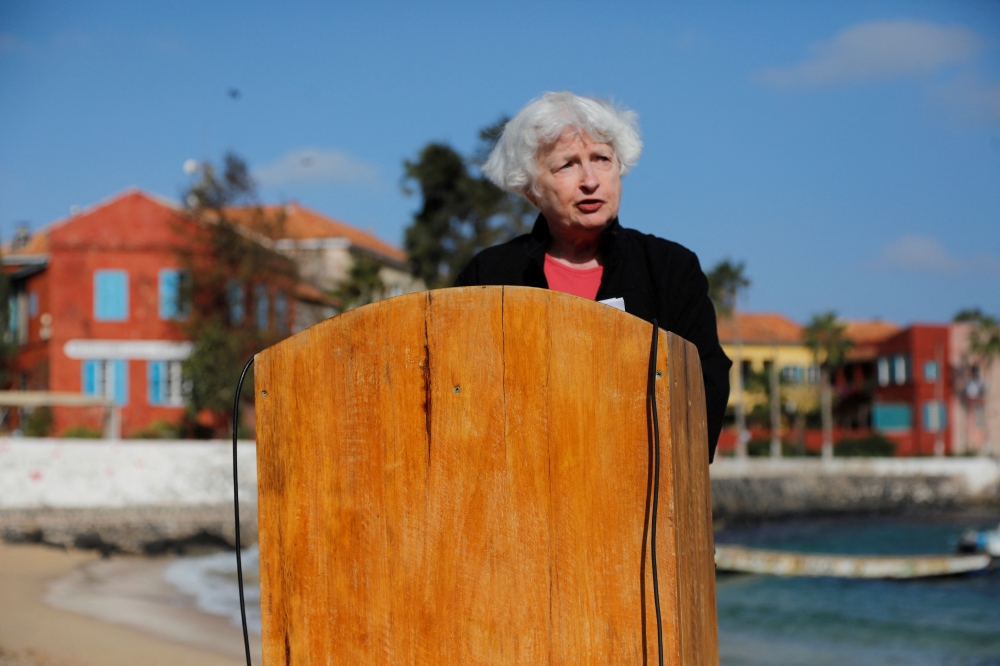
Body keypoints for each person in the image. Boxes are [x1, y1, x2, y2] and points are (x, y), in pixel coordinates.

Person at [454, 91, 731, 461]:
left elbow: (706, 380)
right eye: (566, 165)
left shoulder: (670, 268)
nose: (590, 180)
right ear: (531, 189)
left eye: (601, 159)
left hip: (643, 496)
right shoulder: (488, 275)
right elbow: (461, 391)